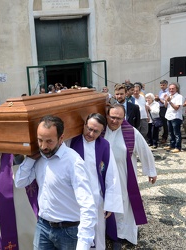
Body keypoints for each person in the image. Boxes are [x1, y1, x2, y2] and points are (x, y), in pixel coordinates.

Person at [15, 115, 97, 249]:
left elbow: (87, 205)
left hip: (69, 230)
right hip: (43, 226)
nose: (43, 146)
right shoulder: (39, 157)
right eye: (40, 140)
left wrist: (83, 244)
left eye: (49, 141)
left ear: (61, 138)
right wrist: (30, 159)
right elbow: (19, 182)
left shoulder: (73, 162)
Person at [67, 113, 123, 250]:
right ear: (84, 125)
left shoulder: (104, 145)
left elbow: (111, 175)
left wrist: (110, 203)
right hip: (73, 198)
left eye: (96, 131)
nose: (90, 134)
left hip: (96, 197)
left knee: (97, 234)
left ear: (101, 132)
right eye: (89, 128)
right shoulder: (71, 142)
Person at [103, 104, 157, 247]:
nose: (114, 121)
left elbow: (145, 150)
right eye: (112, 117)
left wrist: (151, 171)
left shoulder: (131, 132)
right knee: (105, 204)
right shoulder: (100, 130)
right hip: (104, 176)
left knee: (123, 204)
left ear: (124, 118)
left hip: (123, 175)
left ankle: (120, 235)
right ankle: (107, 231)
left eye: (119, 118)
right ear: (107, 115)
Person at [163, 83, 183, 153]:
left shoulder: (179, 96)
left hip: (176, 117)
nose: (171, 90)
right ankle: (172, 145)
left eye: (173, 89)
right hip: (169, 116)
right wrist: (166, 100)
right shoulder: (169, 96)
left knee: (176, 133)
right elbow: (165, 106)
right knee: (171, 132)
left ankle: (178, 147)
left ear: (176, 89)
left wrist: (169, 101)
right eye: (170, 89)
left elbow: (176, 108)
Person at [155, 80, 169, 144]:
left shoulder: (168, 92)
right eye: (161, 85)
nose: (162, 86)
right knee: (158, 122)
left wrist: (159, 100)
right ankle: (157, 136)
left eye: (163, 85)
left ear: (166, 85)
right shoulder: (160, 92)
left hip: (165, 108)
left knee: (165, 123)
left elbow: (166, 103)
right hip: (159, 108)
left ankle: (165, 137)